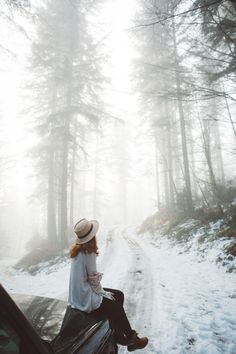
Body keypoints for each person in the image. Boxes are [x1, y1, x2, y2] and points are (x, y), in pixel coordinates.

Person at [68, 218, 148, 352]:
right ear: (92, 235)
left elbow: (89, 279)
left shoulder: (77, 250)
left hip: (78, 294)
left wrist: (103, 293)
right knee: (115, 306)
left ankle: (115, 333)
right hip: (84, 297)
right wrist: (103, 294)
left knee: (118, 295)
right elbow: (94, 281)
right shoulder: (89, 251)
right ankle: (131, 339)